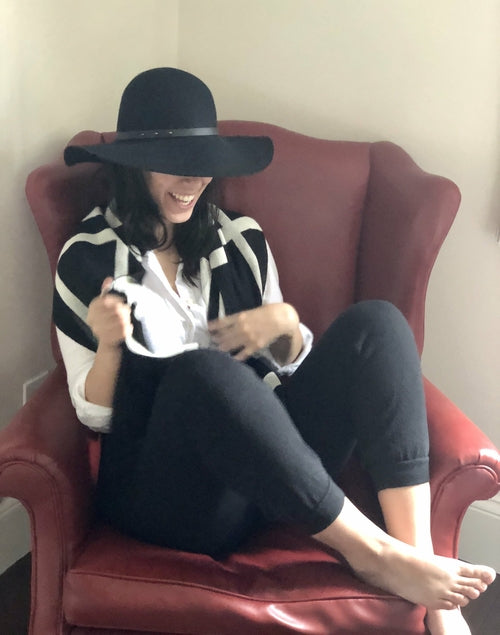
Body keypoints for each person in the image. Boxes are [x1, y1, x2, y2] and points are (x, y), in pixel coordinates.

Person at [55, 67, 494, 635]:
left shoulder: (240, 239)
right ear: (132, 166)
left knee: (378, 324)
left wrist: (285, 326)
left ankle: (422, 570)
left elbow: (291, 367)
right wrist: (111, 347)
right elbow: (93, 415)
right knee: (202, 372)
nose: (194, 181)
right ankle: (373, 553)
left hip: (275, 477)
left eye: (203, 165)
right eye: (175, 165)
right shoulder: (87, 257)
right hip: (171, 495)